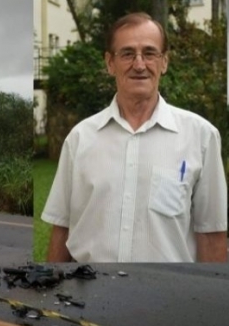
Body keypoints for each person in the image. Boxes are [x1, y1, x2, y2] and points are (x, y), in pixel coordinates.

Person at [41, 12, 228, 263]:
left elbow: (212, 234)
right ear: (110, 63)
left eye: (149, 53)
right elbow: (61, 229)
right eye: (127, 54)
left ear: (164, 62)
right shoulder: (80, 139)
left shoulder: (201, 137)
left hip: (169, 296)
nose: (139, 64)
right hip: (88, 295)